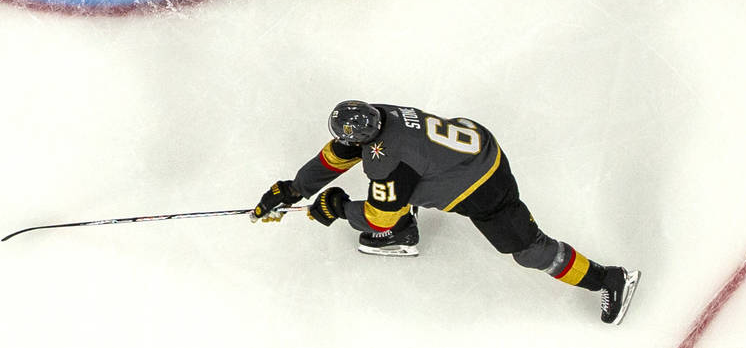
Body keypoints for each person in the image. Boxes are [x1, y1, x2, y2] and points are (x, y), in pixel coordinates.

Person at [252, 100, 641, 326]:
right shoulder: (379, 116)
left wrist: (335, 208)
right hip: (466, 149)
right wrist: (295, 189)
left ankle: (609, 279)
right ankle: (406, 231)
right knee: (404, 186)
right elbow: (338, 154)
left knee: (528, 250)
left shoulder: (387, 161)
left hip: (481, 184)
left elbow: (376, 217)